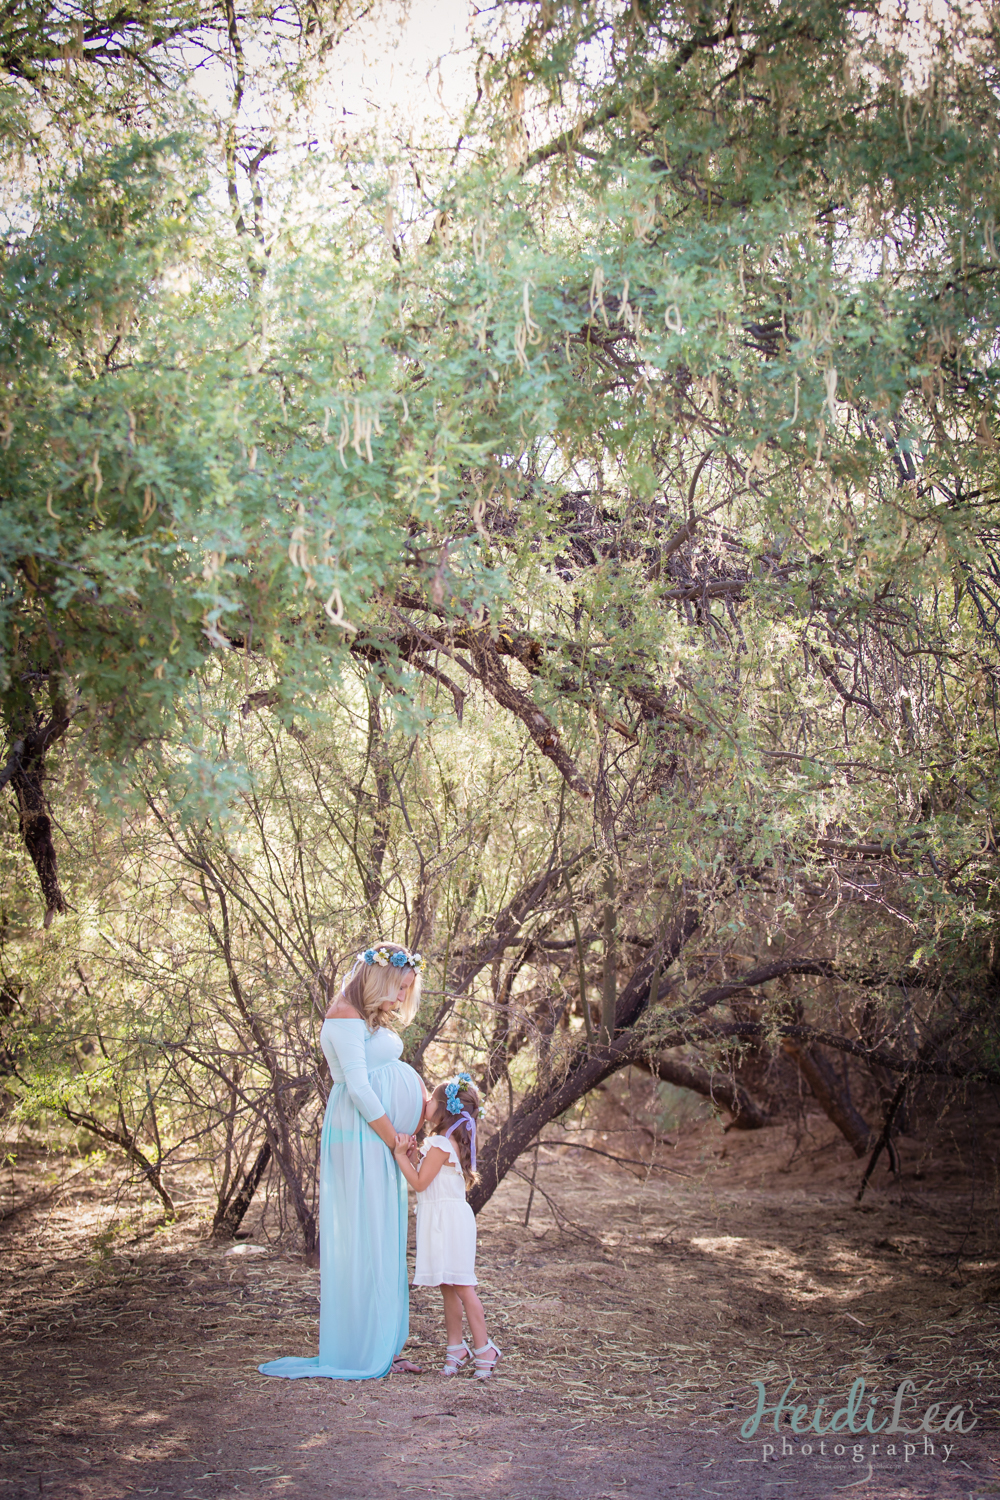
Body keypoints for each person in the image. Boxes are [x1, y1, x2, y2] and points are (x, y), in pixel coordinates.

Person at [258, 943, 426, 1381]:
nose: (399, 999)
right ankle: (362, 1348)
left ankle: (384, 1344)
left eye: (406, 991)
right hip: (362, 1135)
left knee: (382, 1235)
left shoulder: (363, 1015)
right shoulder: (343, 1016)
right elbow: (357, 1087)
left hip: (375, 1135)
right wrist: (395, 1141)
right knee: (364, 1236)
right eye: (398, 989)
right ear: (377, 980)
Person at [393, 1072, 501, 1380]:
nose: (424, 1102)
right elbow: (429, 1176)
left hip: (448, 1222)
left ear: (443, 1109)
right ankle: (456, 1347)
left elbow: (418, 1183)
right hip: (443, 1218)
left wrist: (400, 1156)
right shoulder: (444, 1142)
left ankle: (485, 1348)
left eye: (430, 1100)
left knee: (463, 1286)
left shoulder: (441, 1142)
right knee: (448, 1287)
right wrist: (414, 1157)